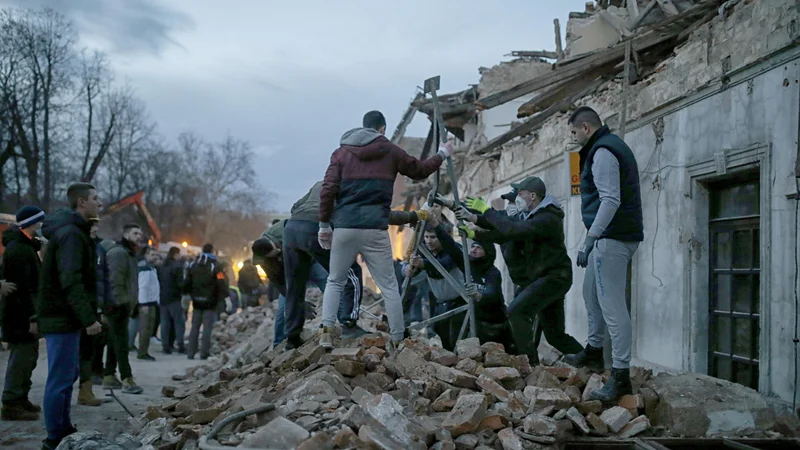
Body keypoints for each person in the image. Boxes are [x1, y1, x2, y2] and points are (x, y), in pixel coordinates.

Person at [317, 110, 451, 349]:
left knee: (335, 281)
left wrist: (324, 225)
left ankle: (326, 332)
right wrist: (442, 154)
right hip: (375, 229)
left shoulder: (341, 153)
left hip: (345, 228)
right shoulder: (390, 151)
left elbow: (327, 190)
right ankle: (398, 338)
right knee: (389, 286)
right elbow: (420, 171)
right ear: (382, 129)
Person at [454, 176, 584, 366]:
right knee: (555, 335)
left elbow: (513, 230)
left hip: (554, 278)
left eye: (520, 193)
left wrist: (486, 211)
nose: (517, 198)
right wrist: (475, 224)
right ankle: (589, 361)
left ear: (532, 196)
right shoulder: (530, 216)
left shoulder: (547, 218)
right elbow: (504, 231)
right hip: (545, 279)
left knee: (516, 312)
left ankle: (530, 365)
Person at [563, 106, 644, 402]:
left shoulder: (603, 152)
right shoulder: (604, 147)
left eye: (573, 132)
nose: (572, 138)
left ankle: (621, 375)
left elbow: (610, 200)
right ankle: (594, 352)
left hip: (613, 238)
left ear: (586, 128)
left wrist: (591, 240)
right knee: (590, 293)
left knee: (612, 307)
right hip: (608, 237)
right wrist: (591, 238)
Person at [36, 183, 103, 449]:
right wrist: (88, 319)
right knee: (60, 379)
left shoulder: (73, 232)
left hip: (64, 316)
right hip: (61, 316)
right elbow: (71, 281)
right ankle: (55, 437)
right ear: (81, 202)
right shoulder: (72, 235)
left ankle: (63, 429)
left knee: (67, 375)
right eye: (95, 198)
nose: (100, 202)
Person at [0, 206, 45, 420]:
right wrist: (32, 318)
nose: (42, 227)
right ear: (31, 224)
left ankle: (21, 397)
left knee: (28, 358)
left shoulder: (26, 246)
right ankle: (11, 403)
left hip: (23, 315)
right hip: (20, 317)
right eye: (39, 222)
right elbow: (23, 288)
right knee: (21, 358)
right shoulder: (18, 250)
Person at [403, 224, 464, 351]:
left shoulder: (454, 251)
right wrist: (409, 269)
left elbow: (444, 265)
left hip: (459, 303)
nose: (429, 241)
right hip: (440, 303)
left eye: (433, 237)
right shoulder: (425, 252)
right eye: (426, 237)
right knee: (443, 337)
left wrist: (423, 263)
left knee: (457, 340)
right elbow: (410, 268)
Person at [101, 224, 144, 394]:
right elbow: (115, 281)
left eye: (140, 233)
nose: (138, 236)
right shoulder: (119, 253)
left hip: (123, 304)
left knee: (114, 341)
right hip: (117, 305)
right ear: (126, 234)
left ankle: (109, 376)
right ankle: (127, 379)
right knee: (121, 343)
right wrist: (118, 304)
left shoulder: (129, 253)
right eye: (135, 233)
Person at [183, 244, 227, 360]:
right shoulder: (216, 265)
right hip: (210, 302)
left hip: (196, 301)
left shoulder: (194, 264)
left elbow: (187, 281)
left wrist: (188, 293)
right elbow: (221, 282)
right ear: (213, 251)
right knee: (207, 328)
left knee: (194, 327)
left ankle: (190, 353)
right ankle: (204, 353)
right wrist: (223, 296)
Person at [135, 246, 160, 361]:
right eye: (152, 255)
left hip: (152, 302)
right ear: (146, 255)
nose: (154, 257)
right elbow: (143, 287)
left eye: (155, 255)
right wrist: (143, 303)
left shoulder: (151, 268)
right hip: (146, 304)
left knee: (149, 329)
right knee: (145, 329)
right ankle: (142, 352)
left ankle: (144, 351)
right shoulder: (144, 268)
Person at [159, 247, 185, 354]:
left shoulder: (162, 266)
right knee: (179, 322)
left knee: (165, 323)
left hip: (163, 298)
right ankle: (180, 345)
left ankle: (165, 345)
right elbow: (180, 284)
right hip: (174, 298)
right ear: (176, 254)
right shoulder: (177, 266)